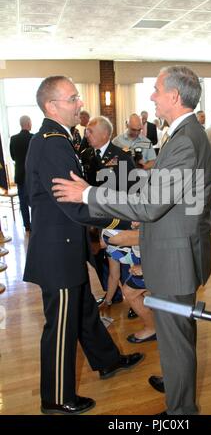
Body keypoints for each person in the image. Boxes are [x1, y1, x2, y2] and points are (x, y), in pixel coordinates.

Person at [52, 65, 211, 415]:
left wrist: (89, 195)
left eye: (156, 90)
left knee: (176, 335)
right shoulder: (183, 133)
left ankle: (180, 411)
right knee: (175, 335)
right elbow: (165, 190)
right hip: (176, 249)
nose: (152, 97)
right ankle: (176, 381)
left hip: (176, 256)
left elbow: (152, 205)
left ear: (173, 96)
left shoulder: (185, 139)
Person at [24, 76, 143, 415]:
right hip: (56, 252)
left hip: (64, 246)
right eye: (73, 98)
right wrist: (123, 221)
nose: (79, 103)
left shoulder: (60, 138)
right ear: (52, 106)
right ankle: (57, 397)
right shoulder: (52, 142)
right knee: (60, 326)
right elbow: (74, 205)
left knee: (84, 311)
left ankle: (108, 361)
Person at [81, 115, 135, 306]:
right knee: (99, 257)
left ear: (105, 134)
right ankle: (112, 294)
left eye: (90, 131)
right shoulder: (86, 155)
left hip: (116, 217)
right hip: (93, 217)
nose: (86, 134)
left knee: (124, 259)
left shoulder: (121, 156)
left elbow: (131, 190)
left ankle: (136, 299)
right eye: (86, 130)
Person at [9, 115, 33, 232]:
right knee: (34, 200)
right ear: (28, 124)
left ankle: (27, 226)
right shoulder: (34, 138)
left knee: (23, 201)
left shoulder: (13, 139)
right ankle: (36, 223)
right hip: (32, 174)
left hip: (19, 174)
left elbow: (13, 157)